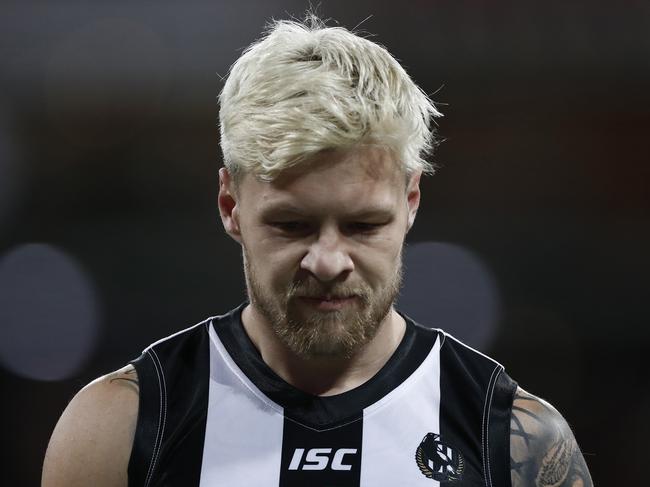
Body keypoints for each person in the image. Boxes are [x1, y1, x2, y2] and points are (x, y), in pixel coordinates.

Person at [42, 15, 593, 487]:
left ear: (411, 202)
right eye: (292, 224)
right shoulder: (122, 429)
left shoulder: (513, 440)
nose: (328, 262)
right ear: (230, 205)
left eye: (362, 224)